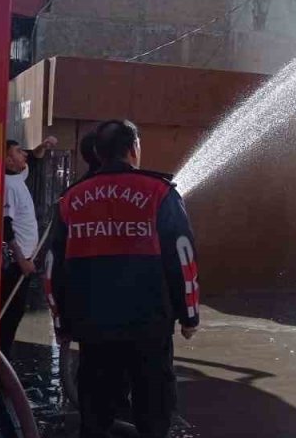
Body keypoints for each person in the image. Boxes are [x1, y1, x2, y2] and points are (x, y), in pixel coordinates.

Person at [49, 119, 199, 438]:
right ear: (133, 149)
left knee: (95, 413)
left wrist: (61, 323)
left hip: (94, 328)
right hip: (149, 327)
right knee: (153, 412)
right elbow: (183, 258)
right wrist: (189, 316)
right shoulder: (160, 192)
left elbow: (53, 268)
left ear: (100, 154)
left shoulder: (71, 200)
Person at [0, 135, 56, 358]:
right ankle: (1, 357)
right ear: (7, 160)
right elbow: (6, 227)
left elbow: (34, 160)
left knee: (17, 311)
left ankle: (4, 355)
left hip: (27, 258)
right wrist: (22, 259)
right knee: (10, 313)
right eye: (18, 152)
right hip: (17, 263)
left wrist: (42, 147)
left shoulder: (17, 177)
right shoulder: (8, 187)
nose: (24, 154)